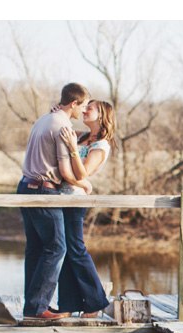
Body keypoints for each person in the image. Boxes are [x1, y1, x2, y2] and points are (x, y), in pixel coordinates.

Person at [17, 82, 90, 320]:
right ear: (73, 103)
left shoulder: (44, 119)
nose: (84, 110)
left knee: (36, 249)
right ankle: (38, 308)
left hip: (25, 187)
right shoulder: (62, 127)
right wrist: (84, 184)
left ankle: (32, 307)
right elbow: (66, 173)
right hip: (43, 191)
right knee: (57, 246)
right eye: (84, 105)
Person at [53, 100, 117, 318]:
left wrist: (72, 148)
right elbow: (63, 128)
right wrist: (58, 113)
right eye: (84, 106)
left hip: (75, 200)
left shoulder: (101, 145)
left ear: (102, 116)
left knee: (76, 249)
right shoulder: (82, 136)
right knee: (67, 251)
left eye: (90, 108)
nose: (85, 110)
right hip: (60, 197)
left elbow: (83, 175)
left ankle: (96, 302)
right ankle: (68, 306)